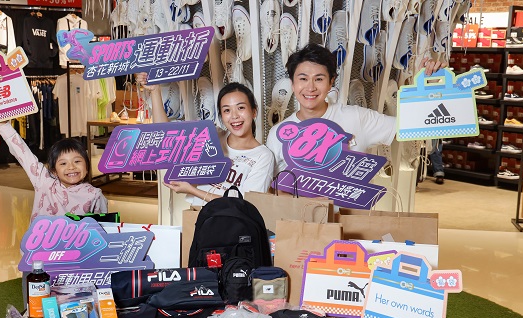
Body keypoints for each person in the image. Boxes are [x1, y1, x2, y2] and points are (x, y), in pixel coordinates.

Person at [266, 43, 447, 175]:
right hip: (297, 216)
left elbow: (416, 125)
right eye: (303, 79)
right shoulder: (278, 134)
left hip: (348, 216)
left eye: (319, 79)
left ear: (331, 83)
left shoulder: (356, 118)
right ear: (292, 83)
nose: (311, 87)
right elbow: (272, 189)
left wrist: (430, 88)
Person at [135, 73, 275, 205]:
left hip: (231, 221)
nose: (234, 116)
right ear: (221, 116)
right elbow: (165, 135)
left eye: (241, 108)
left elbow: (244, 205)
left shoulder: (263, 156)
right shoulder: (211, 136)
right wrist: (155, 91)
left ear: (254, 111)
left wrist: (192, 190)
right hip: (197, 215)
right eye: (227, 110)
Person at [0, 104, 108, 220]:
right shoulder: (44, 182)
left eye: (77, 161)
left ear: (87, 166)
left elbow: (104, 231)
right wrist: (1, 122)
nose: (71, 167)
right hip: (41, 241)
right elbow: (22, 153)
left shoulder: (94, 195)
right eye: (63, 163)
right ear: (54, 170)